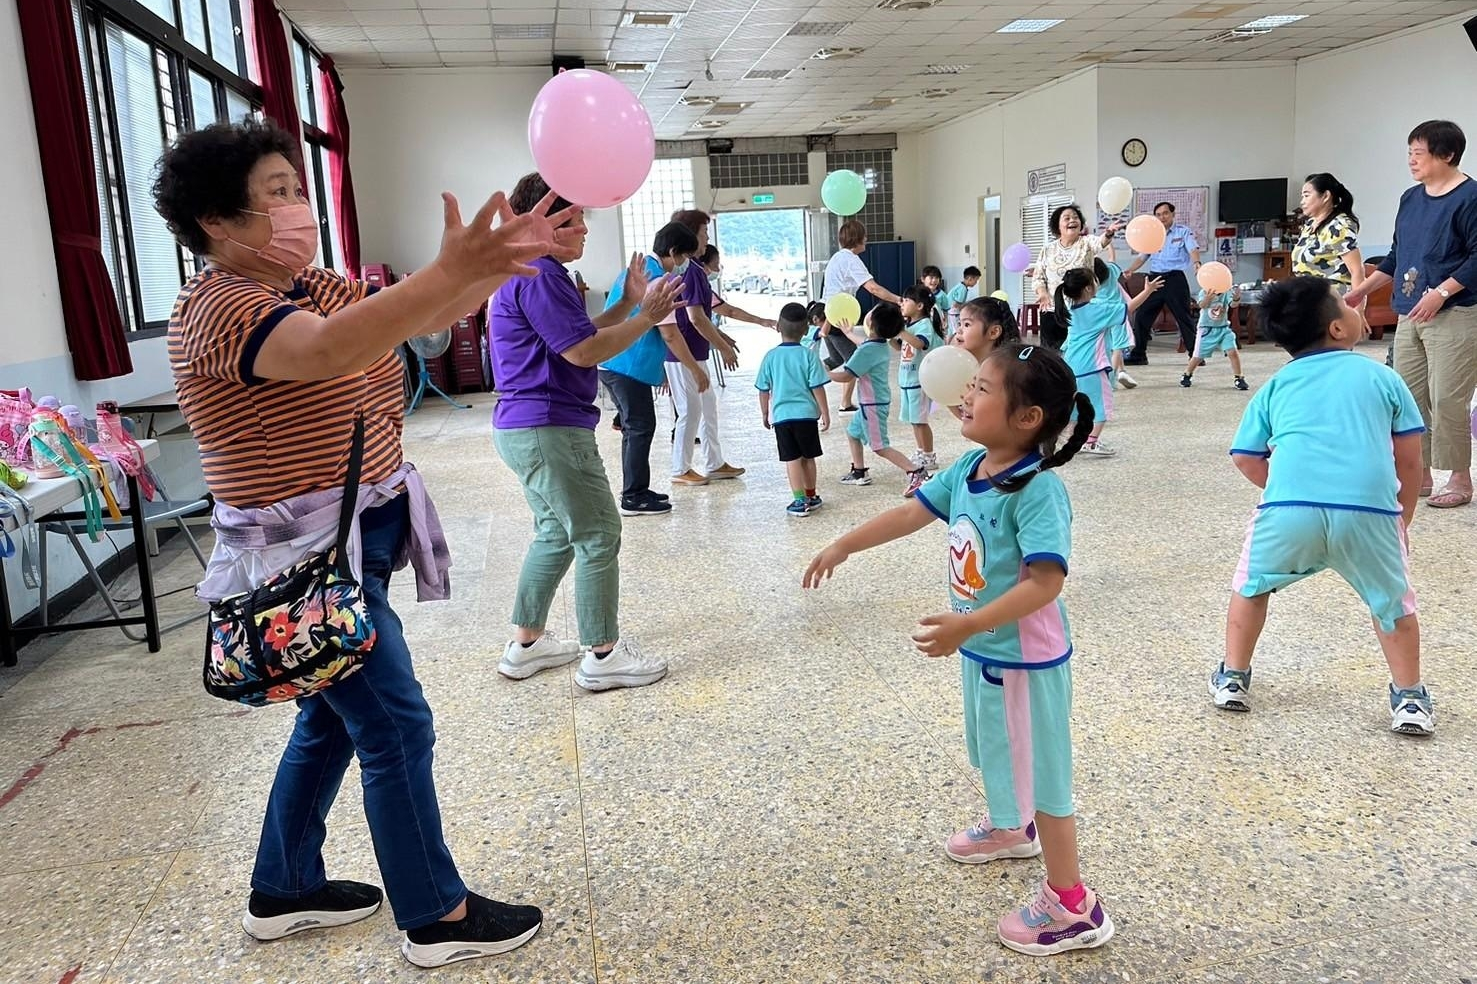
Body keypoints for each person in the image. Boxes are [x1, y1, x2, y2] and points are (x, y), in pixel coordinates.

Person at [155, 121, 585, 967]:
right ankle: (436, 916)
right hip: (296, 558)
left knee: (330, 717)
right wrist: (453, 268)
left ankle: (284, 889)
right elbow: (328, 352)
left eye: (293, 186)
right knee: (393, 723)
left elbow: (411, 322)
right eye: (272, 193)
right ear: (215, 219)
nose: (295, 207)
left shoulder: (307, 282)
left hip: (353, 538)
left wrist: (494, 267)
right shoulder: (217, 307)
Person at [803, 343, 1113, 957]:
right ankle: (1008, 827)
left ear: (1027, 419)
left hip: (1026, 658)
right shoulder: (970, 468)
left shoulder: (1035, 490)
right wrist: (843, 543)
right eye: (970, 384)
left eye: (983, 388)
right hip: (984, 648)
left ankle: (1073, 904)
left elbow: (1046, 583)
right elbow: (912, 514)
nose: (965, 395)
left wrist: (968, 627)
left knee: (1047, 777)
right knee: (992, 747)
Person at [1211, 276, 1432, 736]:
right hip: (1369, 516)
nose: (1354, 305)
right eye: (1345, 302)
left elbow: (1245, 455)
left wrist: (1284, 485)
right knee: (1393, 604)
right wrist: (1401, 518)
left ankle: (1233, 677)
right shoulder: (1383, 376)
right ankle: (1409, 698)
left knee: (1251, 586)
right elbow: (1409, 461)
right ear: (1336, 329)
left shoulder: (1277, 384)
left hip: (1289, 512)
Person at [490, 171, 683, 698]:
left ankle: (525, 645)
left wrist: (626, 307)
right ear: (542, 222)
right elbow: (582, 352)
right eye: (573, 219)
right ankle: (603, 655)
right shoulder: (540, 273)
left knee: (555, 532)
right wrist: (646, 318)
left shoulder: (531, 273)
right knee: (598, 532)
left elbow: (579, 333)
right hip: (548, 427)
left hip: (524, 426)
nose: (584, 230)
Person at [1345, 120, 1477, 510]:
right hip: (1410, 313)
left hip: (1456, 311)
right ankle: (1417, 473)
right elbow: (1397, 255)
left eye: (1418, 153)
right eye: (1409, 153)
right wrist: (1362, 291)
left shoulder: (1471, 197)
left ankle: (1459, 476)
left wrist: (1441, 292)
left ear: (1447, 154)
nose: (1411, 161)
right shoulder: (1410, 197)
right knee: (1407, 397)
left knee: (1447, 397)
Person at [598, 222, 706, 508]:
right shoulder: (658, 281)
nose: (685, 264)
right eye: (684, 258)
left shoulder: (637, 271)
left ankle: (636, 490)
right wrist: (694, 369)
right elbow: (669, 333)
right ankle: (634, 496)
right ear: (672, 252)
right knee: (641, 426)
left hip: (614, 361)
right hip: (626, 364)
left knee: (636, 427)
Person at [664, 210, 745, 486]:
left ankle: (714, 462)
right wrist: (723, 347)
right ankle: (680, 468)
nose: (706, 238)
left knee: (707, 406)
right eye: (703, 233)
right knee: (690, 410)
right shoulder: (690, 273)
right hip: (682, 354)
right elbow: (696, 318)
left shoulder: (697, 271)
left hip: (696, 352)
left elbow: (705, 318)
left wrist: (721, 336)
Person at [828, 303, 928, 493]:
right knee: (852, 432)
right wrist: (848, 332)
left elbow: (847, 376)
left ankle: (916, 472)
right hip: (872, 402)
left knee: (880, 447)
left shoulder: (868, 350)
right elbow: (862, 343)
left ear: (871, 323)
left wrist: (826, 374)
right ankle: (859, 471)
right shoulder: (877, 344)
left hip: (872, 405)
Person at [756, 302, 831, 517]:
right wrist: (825, 413)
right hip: (807, 416)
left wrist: (764, 413)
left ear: (778, 326)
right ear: (806, 330)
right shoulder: (808, 355)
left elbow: (764, 389)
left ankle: (799, 501)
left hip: (782, 418)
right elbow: (817, 387)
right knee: (808, 458)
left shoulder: (770, 357)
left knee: (792, 460)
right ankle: (811, 495)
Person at [1056, 269, 1140, 457]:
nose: (1097, 284)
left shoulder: (1070, 311)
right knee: (1101, 405)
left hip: (1070, 367)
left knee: (1076, 406)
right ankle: (1091, 443)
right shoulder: (1096, 310)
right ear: (1087, 289)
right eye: (1094, 281)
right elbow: (1128, 307)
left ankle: (1072, 439)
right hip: (1092, 368)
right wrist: (1148, 290)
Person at [823, 219, 903, 411]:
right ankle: (841, 400)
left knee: (835, 360)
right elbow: (873, 288)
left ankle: (810, 376)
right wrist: (898, 300)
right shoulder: (850, 260)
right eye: (864, 236)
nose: (866, 239)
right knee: (853, 361)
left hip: (830, 314)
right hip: (840, 317)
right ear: (857, 238)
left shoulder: (836, 257)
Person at [1031, 205, 1120, 350]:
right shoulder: (1047, 249)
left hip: (1081, 309)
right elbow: (1038, 277)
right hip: (1053, 309)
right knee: (1051, 355)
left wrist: (1109, 233)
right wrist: (1043, 293)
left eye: (1075, 217)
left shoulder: (1086, 242)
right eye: (1067, 218)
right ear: (1057, 226)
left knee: (1079, 351)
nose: (1072, 220)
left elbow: (1100, 243)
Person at [1124, 201, 1201, 364]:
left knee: (1184, 317)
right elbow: (1142, 256)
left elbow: (1193, 249)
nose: (1162, 217)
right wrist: (1130, 270)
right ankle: (1139, 355)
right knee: (1142, 315)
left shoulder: (1183, 232)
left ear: (1173, 214)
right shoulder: (1153, 234)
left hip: (1175, 279)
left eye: (1165, 213)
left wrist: (1196, 263)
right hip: (1154, 280)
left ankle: (1194, 355)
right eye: (1158, 214)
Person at [897, 284, 947, 476]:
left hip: (919, 382)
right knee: (913, 420)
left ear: (919, 306)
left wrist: (900, 331)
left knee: (920, 421)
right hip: (907, 380)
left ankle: (928, 455)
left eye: (906, 300)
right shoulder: (909, 325)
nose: (902, 303)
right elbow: (900, 348)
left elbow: (920, 344)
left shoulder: (924, 324)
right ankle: (920, 450)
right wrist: (892, 334)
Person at [1292, 173, 1366, 299]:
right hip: (1309, 298)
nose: (1302, 201)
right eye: (1302, 196)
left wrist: (1358, 310)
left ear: (1326, 196)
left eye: (1306, 195)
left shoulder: (1338, 226)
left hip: (1334, 301)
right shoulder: (1309, 225)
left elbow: (1357, 271)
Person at [1091, 257, 1157, 390]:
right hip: (1117, 311)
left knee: (1108, 345)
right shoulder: (1111, 270)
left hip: (1099, 312)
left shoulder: (1090, 280)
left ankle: (1121, 371)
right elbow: (1112, 260)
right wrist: (1110, 247)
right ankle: (1112, 377)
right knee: (1118, 347)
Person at [1182, 285, 1248, 390]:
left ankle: (1239, 377)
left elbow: (1233, 305)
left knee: (1233, 352)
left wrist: (1236, 298)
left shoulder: (1226, 292)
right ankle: (1187, 374)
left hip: (1223, 328)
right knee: (1198, 356)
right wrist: (1208, 298)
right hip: (1206, 330)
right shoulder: (1204, 292)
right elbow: (1202, 305)